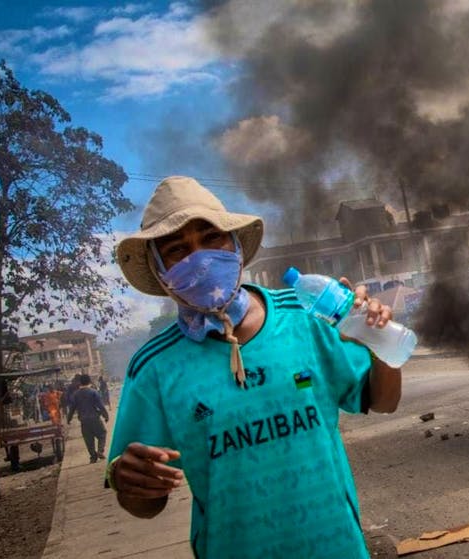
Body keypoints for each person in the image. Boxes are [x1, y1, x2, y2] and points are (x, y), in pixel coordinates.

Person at [106, 176, 402, 558]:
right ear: (161, 273)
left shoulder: (307, 315)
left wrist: (380, 342)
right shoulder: (153, 368)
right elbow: (145, 503)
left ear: (235, 247)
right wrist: (130, 484)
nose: (198, 257)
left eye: (211, 239)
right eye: (178, 250)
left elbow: (383, 401)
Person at [68, 374, 110, 464]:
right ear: (89, 381)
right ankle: (100, 450)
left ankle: (93, 457)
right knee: (102, 434)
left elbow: (72, 408)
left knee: (88, 440)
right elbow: (100, 406)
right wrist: (105, 415)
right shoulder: (93, 392)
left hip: (83, 420)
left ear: (80, 382)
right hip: (95, 418)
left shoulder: (76, 395)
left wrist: (69, 418)